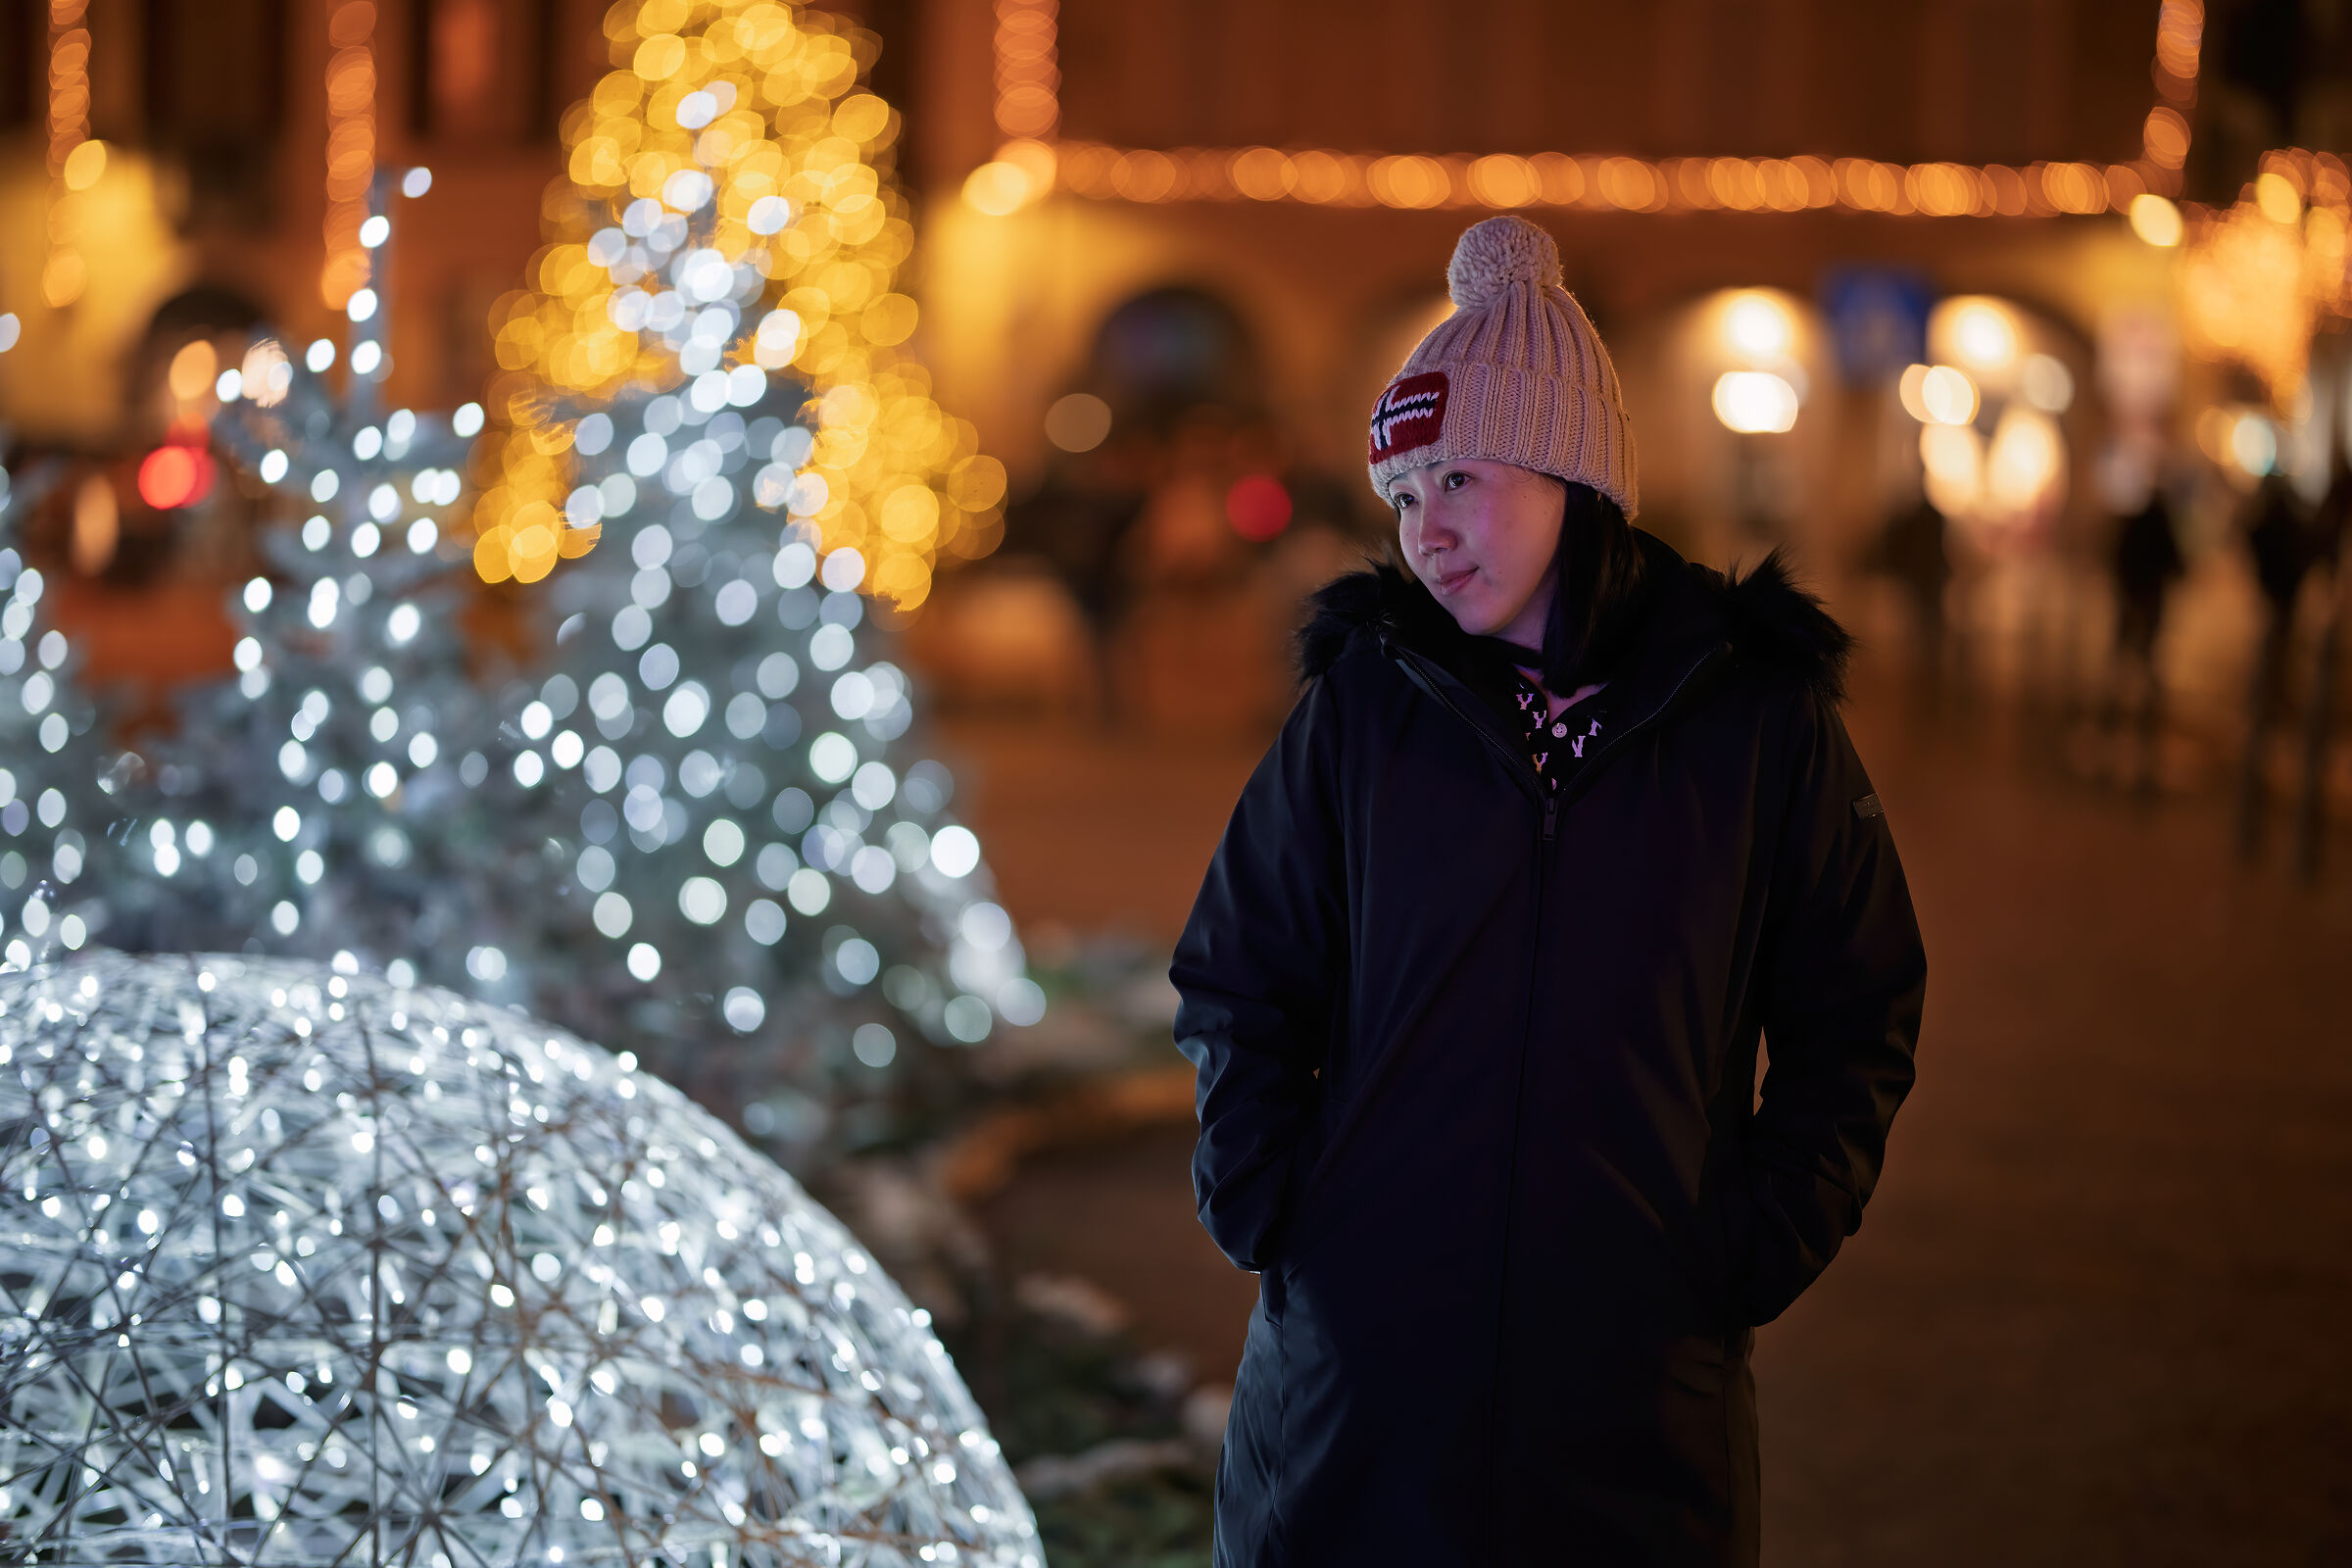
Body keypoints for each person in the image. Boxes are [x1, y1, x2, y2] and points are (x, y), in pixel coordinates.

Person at [1171, 217, 1927, 1567]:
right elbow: (1241, 970)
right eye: (1403, 498)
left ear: (1572, 468)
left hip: (1632, 1400)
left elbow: (1854, 1000)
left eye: (1459, 478)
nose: (1428, 534)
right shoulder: (1363, 711)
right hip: (1360, 1386)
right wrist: (1281, 1212)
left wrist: (1752, 1243)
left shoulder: (1750, 720)